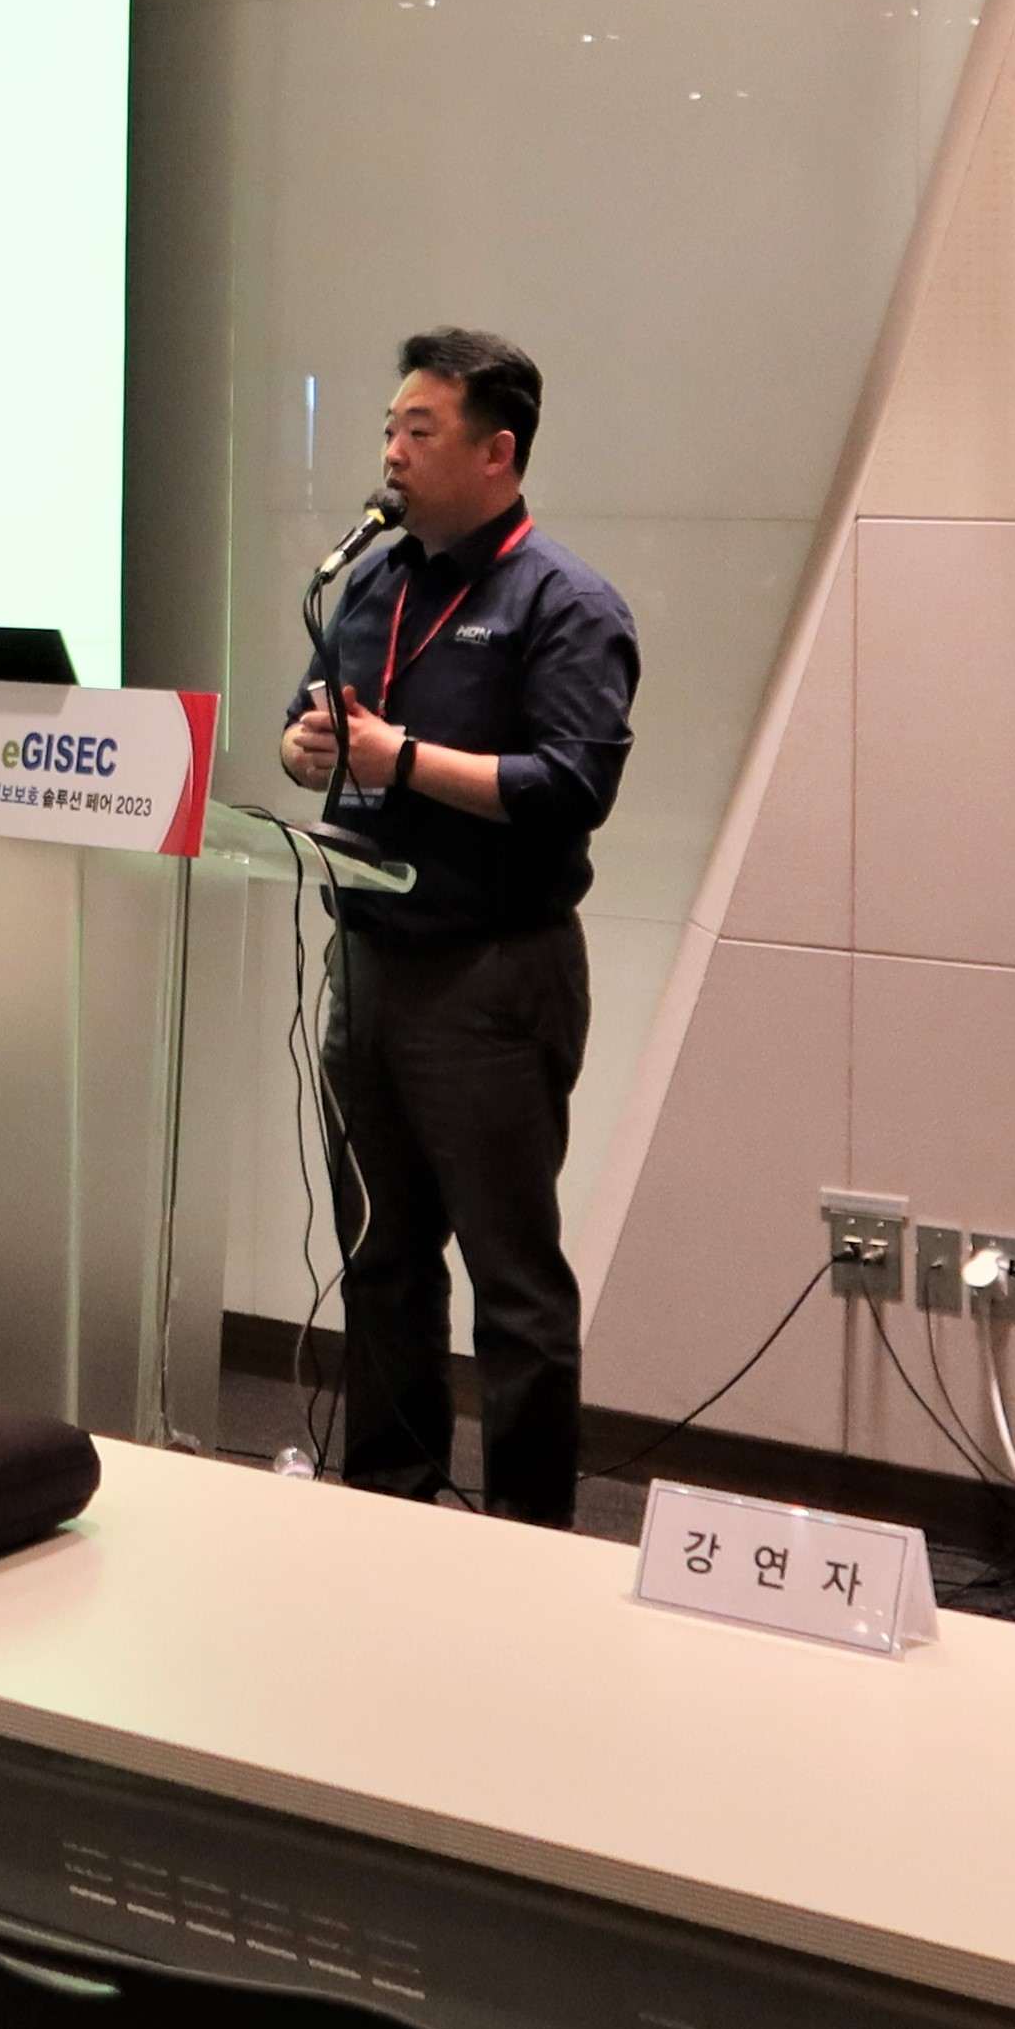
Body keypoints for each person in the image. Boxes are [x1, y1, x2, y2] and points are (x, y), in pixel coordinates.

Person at [275, 326, 637, 1530]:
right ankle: (391, 1501)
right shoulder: (374, 583)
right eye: (389, 428)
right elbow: (309, 730)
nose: (391, 451)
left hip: (492, 976)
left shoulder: (562, 602)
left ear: (497, 453)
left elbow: (572, 786)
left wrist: (403, 759)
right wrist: (309, 749)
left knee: (511, 1280)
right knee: (381, 1256)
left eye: (419, 431)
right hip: (369, 962)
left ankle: (531, 1540)